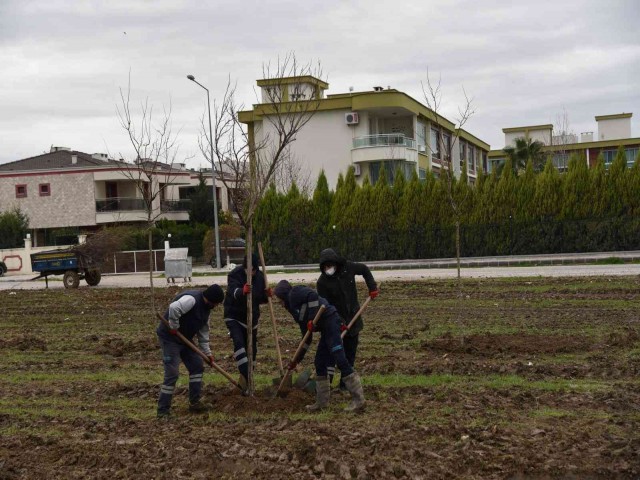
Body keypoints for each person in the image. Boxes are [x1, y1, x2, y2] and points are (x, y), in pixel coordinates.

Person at [273, 280, 365, 412]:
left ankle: (359, 399)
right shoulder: (293, 310)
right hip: (324, 328)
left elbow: (312, 296)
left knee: (339, 358)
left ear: (283, 294)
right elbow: (307, 337)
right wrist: (296, 360)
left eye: (279, 300)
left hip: (331, 321)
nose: (280, 304)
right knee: (319, 362)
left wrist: (311, 318)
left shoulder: (295, 292)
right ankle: (322, 402)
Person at [156, 284, 225, 419]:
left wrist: (207, 353)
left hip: (185, 339)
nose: (216, 306)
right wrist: (174, 326)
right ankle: (163, 411)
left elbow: (203, 334)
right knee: (172, 374)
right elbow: (174, 308)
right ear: (211, 300)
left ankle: (195, 403)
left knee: (197, 366)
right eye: (216, 304)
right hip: (170, 338)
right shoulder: (191, 299)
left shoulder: (206, 310)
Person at [316, 248, 378, 391]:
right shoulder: (322, 282)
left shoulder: (348, 268)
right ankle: (327, 383)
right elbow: (327, 305)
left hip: (354, 317)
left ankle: (345, 385)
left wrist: (372, 287)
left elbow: (364, 269)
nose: (328, 269)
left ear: (336, 263)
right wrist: (340, 321)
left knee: (350, 353)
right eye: (325, 267)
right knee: (332, 353)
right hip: (334, 321)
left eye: (329, 265)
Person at [223, 253, 270, 391]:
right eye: (250, 270)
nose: (253, 273)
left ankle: (248, 377)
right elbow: (233, 291)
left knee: (252, 349)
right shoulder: (234, 275)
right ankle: (246, 375)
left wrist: (267, 297)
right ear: (244, 267)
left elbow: (259, 298)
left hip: (252, 318)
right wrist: (242, 291)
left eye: (255, 270)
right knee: (239, 343)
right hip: (234, 316)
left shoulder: (260, 277)